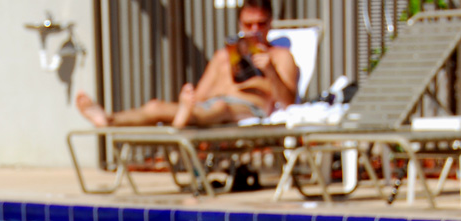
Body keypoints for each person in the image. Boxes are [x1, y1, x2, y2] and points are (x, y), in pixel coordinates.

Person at [75, 0, 299, 129]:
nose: (255, 30)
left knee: (220, 107)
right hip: (209, 107)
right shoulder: (224, 56)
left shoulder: (281, 56)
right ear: (240, 23)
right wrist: (189, 100)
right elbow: (200, 97)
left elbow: (288, 103)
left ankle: (183, 121)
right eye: (249, 24)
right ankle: (108, 119)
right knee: (155, 106)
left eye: (261, 24)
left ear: (271, 23)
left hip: (247, 110)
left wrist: (269, 71)